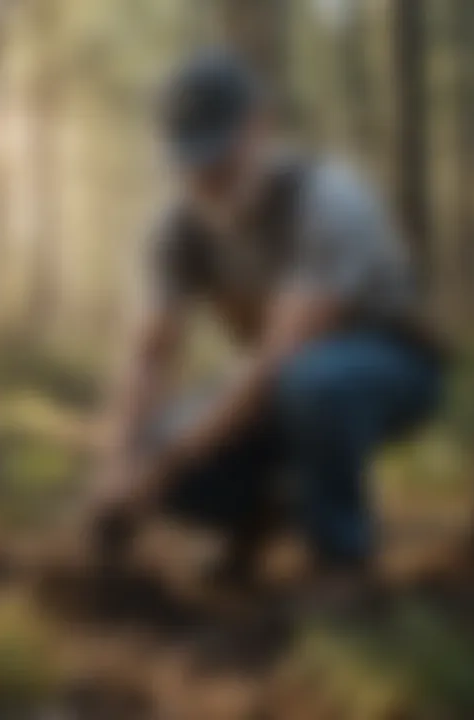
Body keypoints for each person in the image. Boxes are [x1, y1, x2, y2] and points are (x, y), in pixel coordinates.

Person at [91, 50, 444, 586]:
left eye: (221, 159)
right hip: (283, 385)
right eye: (192, 164)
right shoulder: (176, 232)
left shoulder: (329, 202)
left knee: (316, 384)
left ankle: (342, 560)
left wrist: (163, 470)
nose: (208, 180)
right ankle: (258, 519)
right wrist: (120, 466)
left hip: (387, 371)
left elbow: (276, 361)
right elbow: (151, 355)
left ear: (260, 127)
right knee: (154, 443)